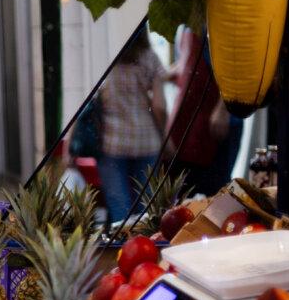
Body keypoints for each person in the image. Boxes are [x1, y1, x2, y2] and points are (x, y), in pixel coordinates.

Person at [96, 31, 167, 222]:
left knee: (120, 209)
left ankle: (122, 248)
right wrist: (166, 137)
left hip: (112, 142)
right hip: (146, 141)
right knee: (146, 208)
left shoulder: (104, 56)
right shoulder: (150, 58)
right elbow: (160, 106)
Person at [165, 26, 243, 197]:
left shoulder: (211, 21)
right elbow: (187, 61)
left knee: (215, 189)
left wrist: (222, 108)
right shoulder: (185, 27)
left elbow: (234, 63)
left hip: (215, 117)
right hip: (190, 116)